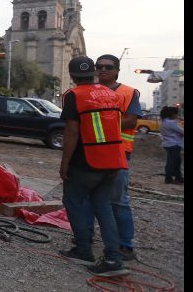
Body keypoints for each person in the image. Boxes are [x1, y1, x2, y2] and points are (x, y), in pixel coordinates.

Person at [58, 56, 129, 277]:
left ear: (71, 76)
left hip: (87, 160)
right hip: (114, 159)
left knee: (73, 201)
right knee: (103, 206)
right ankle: (113, 259)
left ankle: (83, 250)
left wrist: (65, 163)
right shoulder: (113, 95)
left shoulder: (74, 96)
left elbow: (71, 131)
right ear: (94, 73)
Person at [82, 54, 143, 262]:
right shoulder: (89, 91)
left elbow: (131, 122)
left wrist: (104, 121)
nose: (102, 70)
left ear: (117, 70)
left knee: (118, 201)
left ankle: (126, 245)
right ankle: (85, 237)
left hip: (119, 153)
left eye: (108, 67)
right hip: (92, 152)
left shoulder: (128, 93)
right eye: (98, 66)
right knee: (89, 198)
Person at [160, 106, 184, 184]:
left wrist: (178, 119)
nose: (177, 116)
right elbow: (181, 131)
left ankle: (177, 177)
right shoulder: (171, 123)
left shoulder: (164, 121)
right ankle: (169, 178)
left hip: (168, 144)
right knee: (172, 162)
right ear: (172, 114)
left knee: (176, 161)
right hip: (174, 144)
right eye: (176, 114)